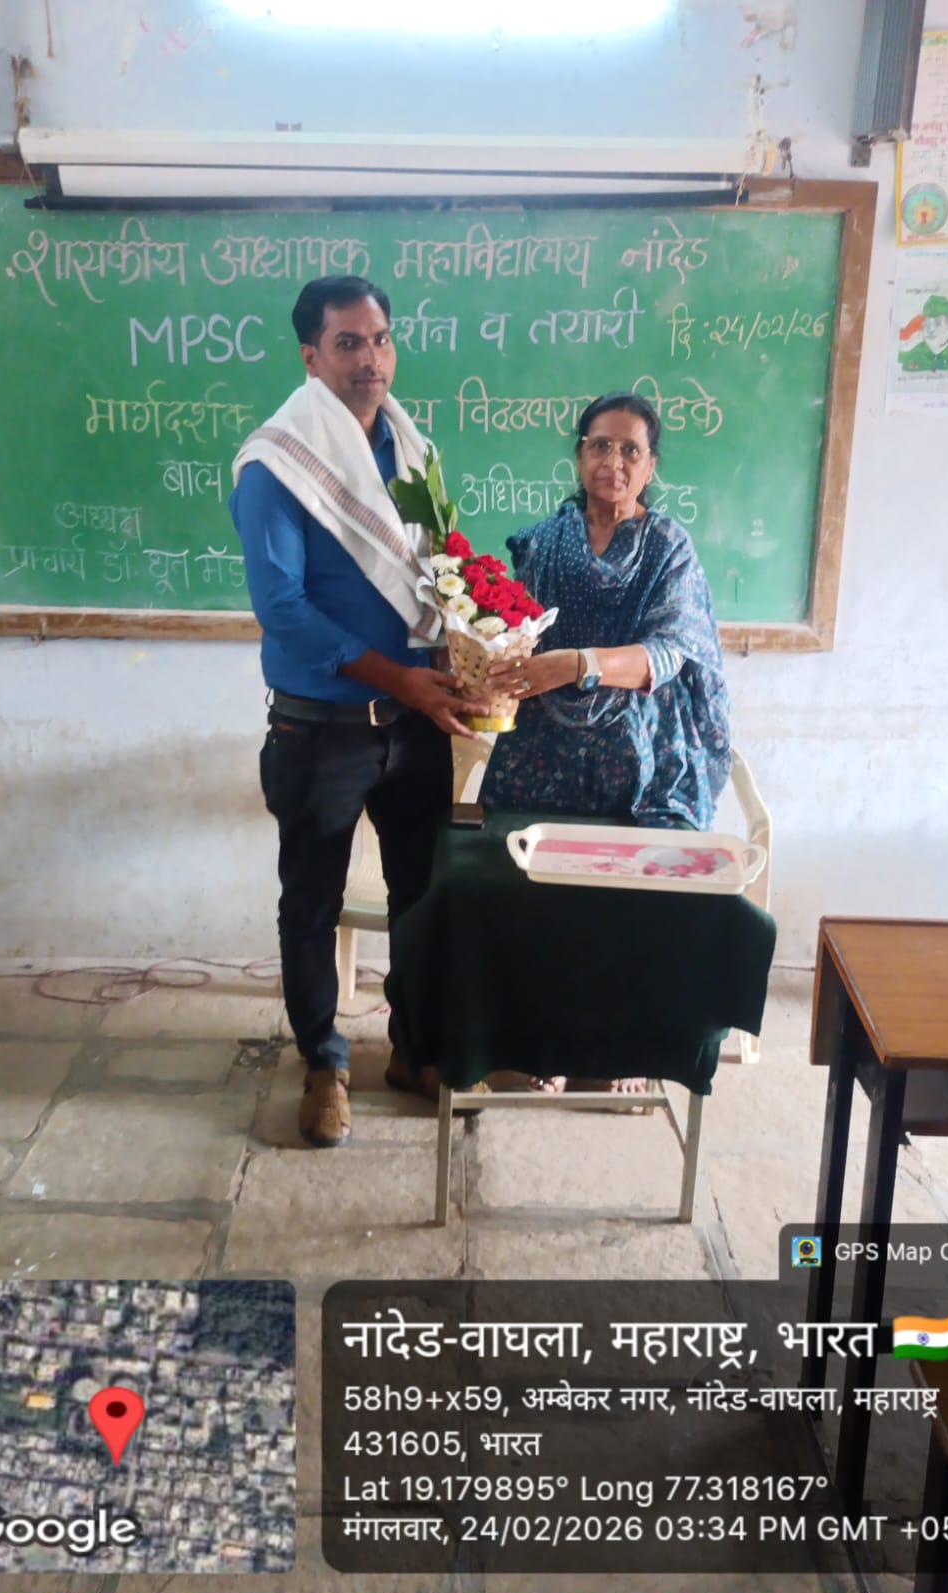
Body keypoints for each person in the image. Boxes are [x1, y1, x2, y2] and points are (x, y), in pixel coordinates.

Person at [230, 275, 487, 1150]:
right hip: (321, 730)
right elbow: (285, 611)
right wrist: (400, 681)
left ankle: (413, 1051)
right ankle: (324, 1062)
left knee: (421, 895)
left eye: (379, 340)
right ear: (311, 356)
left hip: (416, 727)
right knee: (313, 903)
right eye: (347, 343)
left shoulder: (410, 450)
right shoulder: (277, 464)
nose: (369, 359)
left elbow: (433, 575)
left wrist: (459, 655)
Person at [480, 391, 731, 1095]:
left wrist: (576, 665)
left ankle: (628, 1047)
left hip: (644, 753)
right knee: (535, 892)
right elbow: (514, 632)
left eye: (630, 450)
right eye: (599, 445)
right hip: (545, 745)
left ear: (650, 466)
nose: (612, 461)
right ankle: (545, 1043)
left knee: (634, 896)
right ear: (578, 454)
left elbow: (672, 651)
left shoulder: (668, 547)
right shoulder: (541, 542)